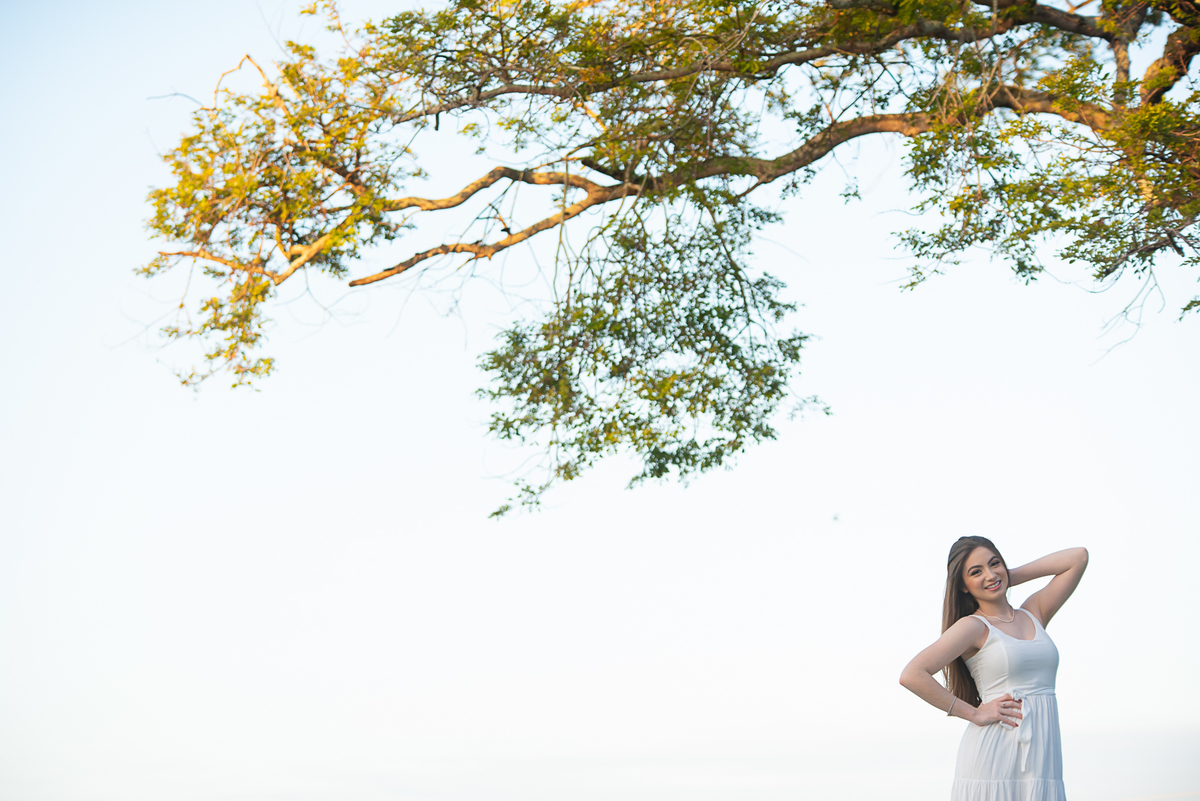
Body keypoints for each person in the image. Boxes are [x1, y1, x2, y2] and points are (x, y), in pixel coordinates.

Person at [899, 537, 1089, 800]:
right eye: (976, 572)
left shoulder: (1034, 612)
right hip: (995, 753)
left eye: (994, 563)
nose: (989, 574)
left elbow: (1077, 557)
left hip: (1043, 759)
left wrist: (1005, 576)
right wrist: (974, 713)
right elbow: (912, 675)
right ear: (963, 586)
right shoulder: (973, 626)